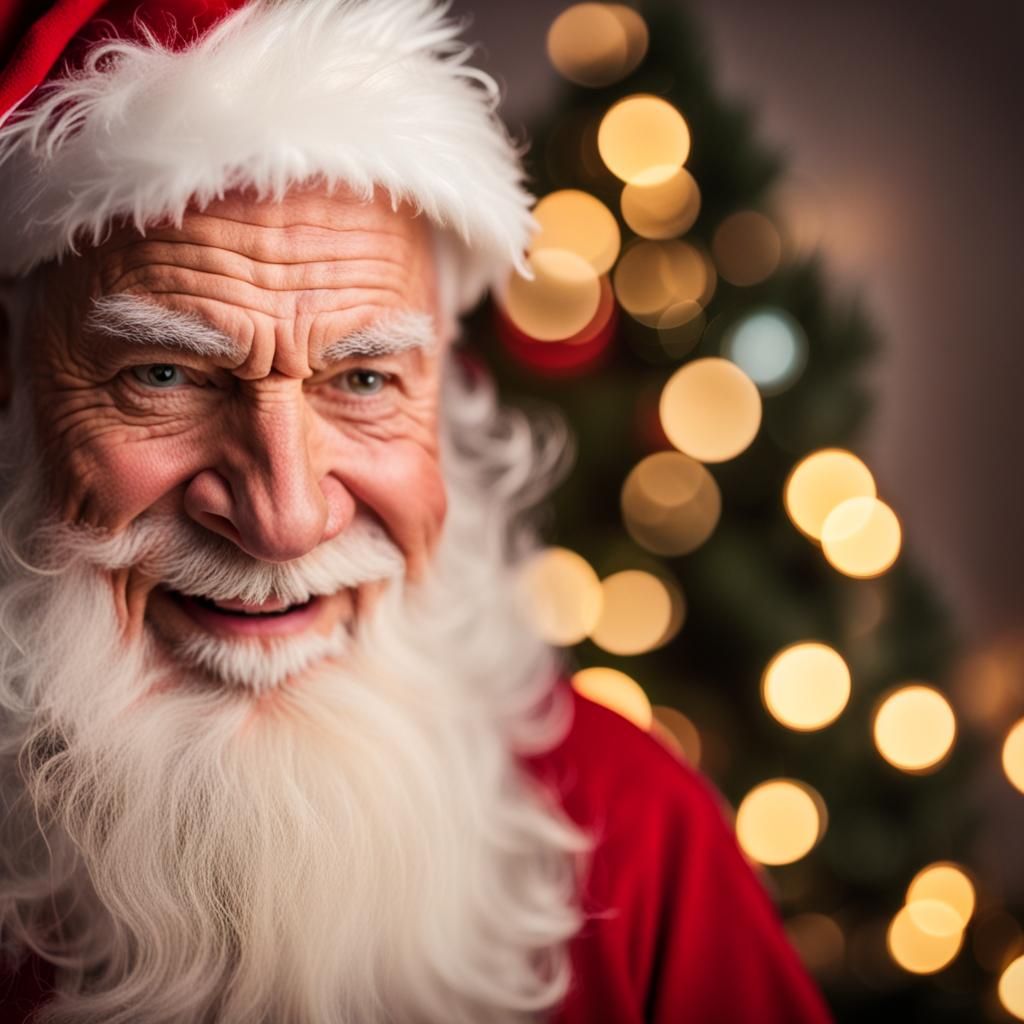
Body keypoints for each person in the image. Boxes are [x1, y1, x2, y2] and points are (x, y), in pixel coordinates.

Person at [0, 1, 835, 1021]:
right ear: (15, 388)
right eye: (165, 373)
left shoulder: (639, 834)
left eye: (361, 379)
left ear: (446, 390)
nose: (286, 518)